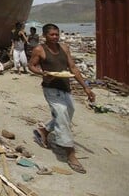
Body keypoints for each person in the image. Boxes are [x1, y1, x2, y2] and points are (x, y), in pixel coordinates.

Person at [28, 23, 96, 174]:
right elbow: (31, 65)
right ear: (45, 35)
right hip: (50, 88)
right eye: (52, 35)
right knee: (63, 117)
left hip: (65, 86)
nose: (55, 37)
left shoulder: (64, 48)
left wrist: (86, 87)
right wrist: (42, 73)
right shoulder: (39, 49)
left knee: (68, 112)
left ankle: (43, 131)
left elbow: (73, 68)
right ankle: (70, 154)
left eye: (57, 34)